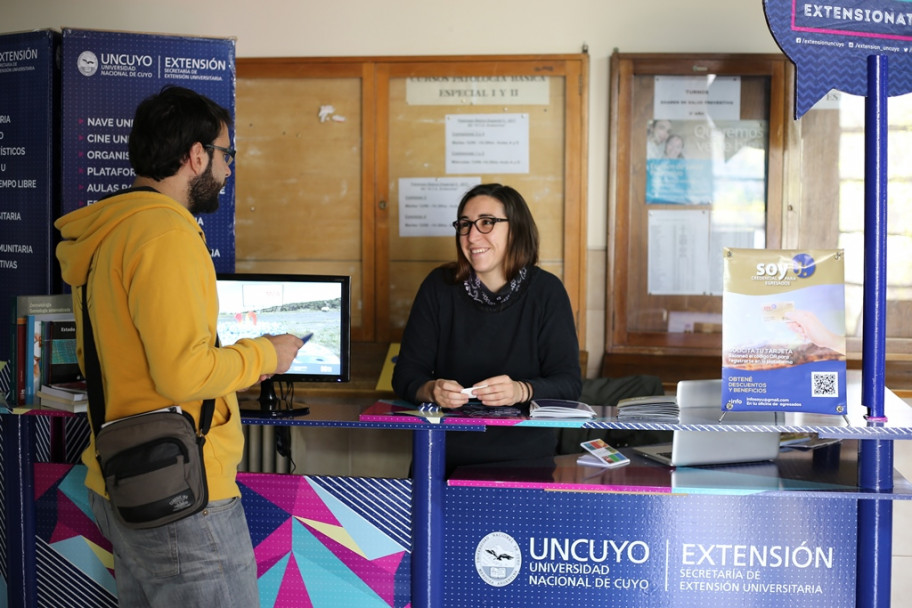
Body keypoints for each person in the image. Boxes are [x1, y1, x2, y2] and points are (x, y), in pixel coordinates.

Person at [55, 85, 303, 607]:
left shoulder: (112, 233)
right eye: (226, 154)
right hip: (185, 493)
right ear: (196, 156)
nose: (229, 170)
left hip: (125, 476)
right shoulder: (165, 234)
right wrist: (265, 355)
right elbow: (181, 373)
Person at [392, 183, 582, 475]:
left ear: (515, 230)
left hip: (523, 460)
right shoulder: (438, 286)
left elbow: (569, 384)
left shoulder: (547, 291)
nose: (471, 236)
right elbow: (405, 375)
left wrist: (522, 390)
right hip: (441, 455)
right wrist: (431, 389)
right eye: (465, 225)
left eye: (486, 223)